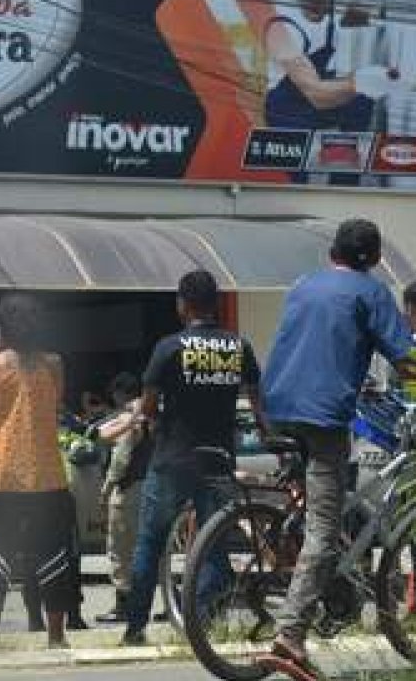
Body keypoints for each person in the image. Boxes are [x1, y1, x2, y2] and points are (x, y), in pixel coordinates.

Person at [262, 220, 416, 669]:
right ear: (371, 258)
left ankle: (320, 582)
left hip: (278, 406)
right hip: (322, 416)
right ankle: (291, 634)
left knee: (321, 505)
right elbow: (404, 358)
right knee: (324, 530)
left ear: (333, 252)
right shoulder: (369, 293)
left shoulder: (303, 285)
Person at [118, 271, 266, 646]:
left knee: (150, 543)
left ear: (183, 304)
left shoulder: (169, 347)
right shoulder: (239, 347)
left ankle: (135, 629)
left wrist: (155, 414)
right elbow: (258, 404)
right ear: (215, 303)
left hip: (173, 459)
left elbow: (149, 408)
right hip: (217, 461)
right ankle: (203, 626)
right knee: (214, 543)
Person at [0, 294, 77, 649]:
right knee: (53, 555)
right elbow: (54, 404)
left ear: (2, 327)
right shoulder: (54, 365)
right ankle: (56, 636)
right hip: (47, 474)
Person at [264, 0, 388, 146]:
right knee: (299, 159)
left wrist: (379, 16)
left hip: (316, 98)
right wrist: (361, 81)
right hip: (288, 112)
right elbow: (317, 95)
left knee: (361, 104)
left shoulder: (329, 0)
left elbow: (352, 15)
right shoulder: (280, 29)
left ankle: (347, 168)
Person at [93, 373, 146, 625]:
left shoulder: (130, 418)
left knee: (120, 551)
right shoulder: (150, 414)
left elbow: (120, 460)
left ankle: (123, 605)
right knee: (144, 550)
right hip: (147, 489)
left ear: (120, 394)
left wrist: (106, 490)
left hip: (128, 491)